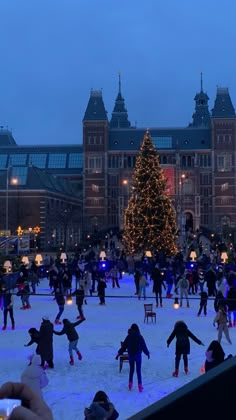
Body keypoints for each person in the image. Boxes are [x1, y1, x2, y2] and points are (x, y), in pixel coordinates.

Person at [116, 323, 150, 392]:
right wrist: (147, 353)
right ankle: (140, 386)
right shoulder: (140, 336)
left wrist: (119, 353)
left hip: (131, 355)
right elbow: (144, 346)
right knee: (138, 371)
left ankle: (130, 385)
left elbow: (124, 346)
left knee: (131, 370)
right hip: (138, 355)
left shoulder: (128, 336)